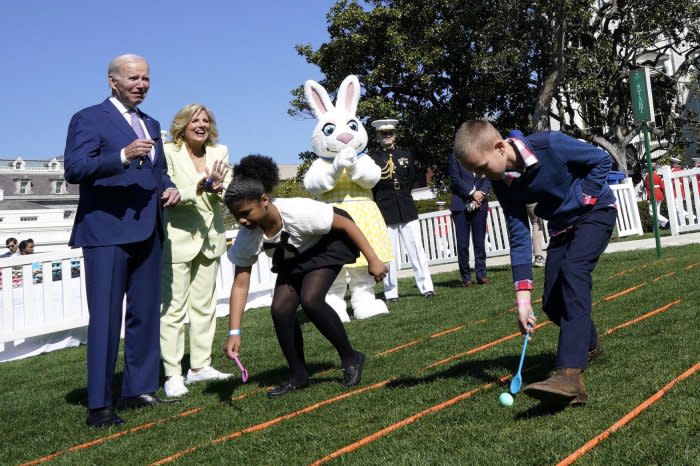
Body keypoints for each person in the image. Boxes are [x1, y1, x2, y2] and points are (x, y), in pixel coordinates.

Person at [454, 120, 616, 407]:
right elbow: (519, 238)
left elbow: (602, 160)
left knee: (573, 271)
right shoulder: (502, 185)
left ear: (500, 147)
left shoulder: (550, 144)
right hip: (562, 228)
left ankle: (569, 376)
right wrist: (522, 301)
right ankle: (588, 344)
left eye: (480, 168)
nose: (480, 177)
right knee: (553, 304)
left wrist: (583, 197)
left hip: (596, 212)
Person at [64, 54, 181, 428]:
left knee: (145, 315)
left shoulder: (152, 123)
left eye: (146, 78)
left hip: (148, 230)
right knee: (106, 320)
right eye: (134, 78)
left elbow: (157, 171)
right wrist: (121, 155)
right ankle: (99, 405)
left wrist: (170, 187)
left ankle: (138, 390)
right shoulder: (87, 118)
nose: (141, 84)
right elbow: (75, 169)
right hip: (106, 232)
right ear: (112, 81)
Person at [224, 155, 386, 397]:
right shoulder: (248, 236)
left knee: (311, 299)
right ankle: (299, 375)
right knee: (279, 309)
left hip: (327, 245)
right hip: (294, 258)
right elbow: (240, 283)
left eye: (246, 212)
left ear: (264, 200)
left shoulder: (300, 211)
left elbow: (346, 225)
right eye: (237, 216)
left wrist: (373, 259)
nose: (242, 220)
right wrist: (234, 332)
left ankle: (351, 357)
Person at [159, 104, 233, 398]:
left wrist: (218, 189)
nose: (201, 125)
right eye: (195, 121)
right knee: (173, 311)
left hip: (211, 238)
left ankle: (200, 366)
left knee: (205, 307)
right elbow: (169, 194)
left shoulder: (220, 152)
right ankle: (173, 374)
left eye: (205, 121)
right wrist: (198, 188)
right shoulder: (167, 153)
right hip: (176, 240)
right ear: (182, 125)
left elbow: (228, 188)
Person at [368, 119, 434, 302]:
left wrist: (403, 192)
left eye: (390, 133)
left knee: (417, 249)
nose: (387, 137)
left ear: (395, 135)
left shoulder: (405, 154)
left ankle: (426, 287)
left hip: (406, 207)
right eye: (383, 134)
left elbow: (412, 176)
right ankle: (391, 293)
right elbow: (371, 184)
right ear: (378, 137)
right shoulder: (372, 158)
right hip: (385, 209)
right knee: (389, 254)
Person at [448, 153, 491, 287]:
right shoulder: (455, 157)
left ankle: (481, 274)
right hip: (460, 205)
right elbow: (455, 179)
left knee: (479, 242)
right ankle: (466, 277)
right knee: (462, 244)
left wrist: (482, 193)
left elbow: (488, 175)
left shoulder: (482, 154)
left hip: (480, 204)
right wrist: (472, 193)